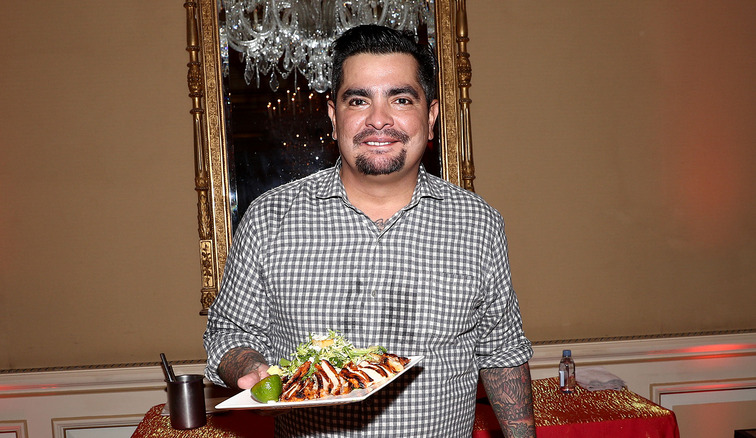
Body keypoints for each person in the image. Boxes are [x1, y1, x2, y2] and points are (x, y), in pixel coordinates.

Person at [204, 24, 536, 438]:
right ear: (333, 116)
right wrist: (251, 369)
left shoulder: (478, 222)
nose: (378, 119)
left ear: (430, 117)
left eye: (400, 98)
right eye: (358, 100)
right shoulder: (269, 217)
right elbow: (230, 331)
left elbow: (502, 352)